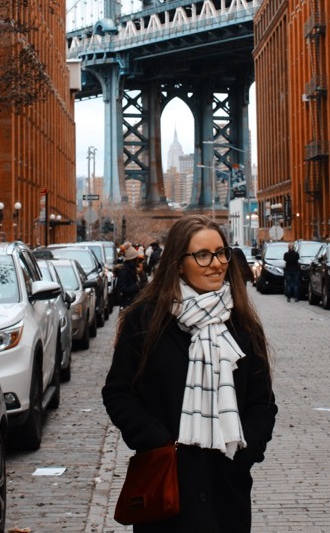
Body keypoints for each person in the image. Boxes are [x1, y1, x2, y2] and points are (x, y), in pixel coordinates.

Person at [102, 214, 277, 533]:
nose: (217, 263)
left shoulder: (242, 325)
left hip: (227, 491)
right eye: (203, 255)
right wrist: (156, 442)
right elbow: (118, 393)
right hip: (167, 490)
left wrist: (245, 453)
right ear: (178, 263)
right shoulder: (145, 321)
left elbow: (262, 403)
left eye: (221, 252)